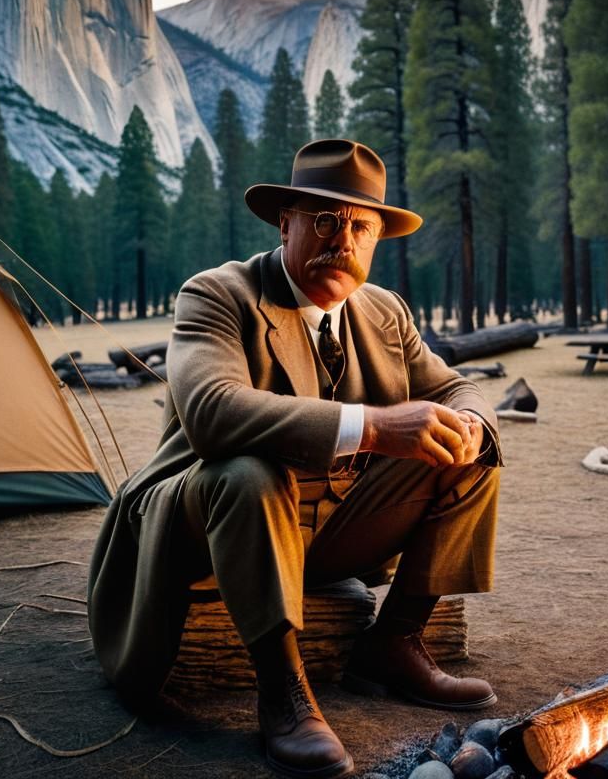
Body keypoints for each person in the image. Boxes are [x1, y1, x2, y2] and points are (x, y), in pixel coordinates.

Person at [88, 139, 502, 779]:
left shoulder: (384, 311)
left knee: (468, 453)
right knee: (249, 473)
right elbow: (212, 412)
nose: (343, 240)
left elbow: (452, 386)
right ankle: (283, 691)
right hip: (204, 529)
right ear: (287, 223)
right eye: (326, 220)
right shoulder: (218, 295)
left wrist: (471, 422)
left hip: (326, 533)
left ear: (375, 241)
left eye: (360, 226)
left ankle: (392, 643)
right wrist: (373, 427)